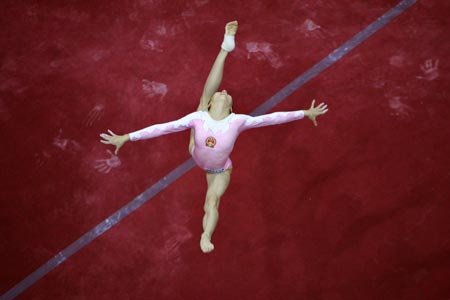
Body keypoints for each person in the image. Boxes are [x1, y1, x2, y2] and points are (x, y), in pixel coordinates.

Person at [100, 21, 328, 253]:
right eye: (221, 92)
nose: (225, 92)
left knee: (211, 202)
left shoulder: (238, 121)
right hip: (195, 150)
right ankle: (225, 48)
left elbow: (274, 118)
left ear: (230, 109)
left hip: (219, 170)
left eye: (227, 95)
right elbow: (161, 128)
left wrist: (304, 113)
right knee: (201, 103)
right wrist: (127, 137)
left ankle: (206, 235)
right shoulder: (198, 117)